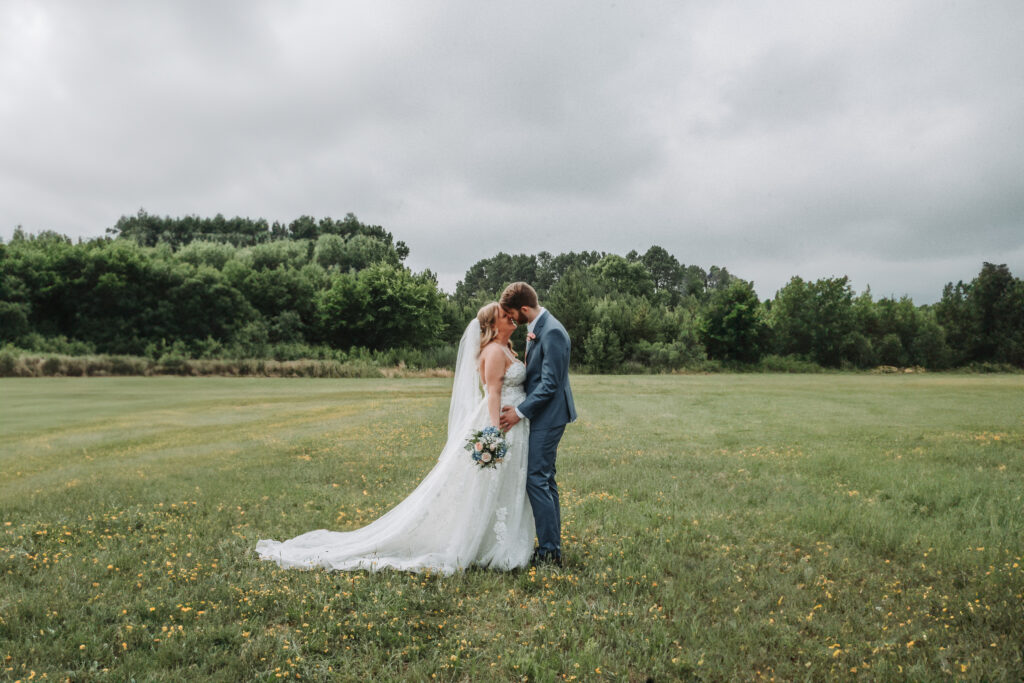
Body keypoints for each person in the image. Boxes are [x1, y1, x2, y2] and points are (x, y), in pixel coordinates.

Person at [255, 302, 534, 574]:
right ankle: (486, 543)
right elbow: (494, 394)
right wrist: (495, 431)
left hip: (513, 424)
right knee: (487, 482)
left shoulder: (506, 349)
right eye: (503, 314)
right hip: (499, 425)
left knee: (498, 484)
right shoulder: (495, 352)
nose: (510, 316)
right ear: (491, 325)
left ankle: (496, 538)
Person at [498, 282, 577, 567]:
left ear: (523, 309)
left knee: (536, 480)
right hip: (543, 414)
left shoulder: (552, 331)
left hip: (550, 415)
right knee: (545, 479)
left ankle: (548, 552)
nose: (512, 321)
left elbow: (550, 384)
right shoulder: (538, 327)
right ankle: (551, 547)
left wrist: (519, 412)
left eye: (512, 314)